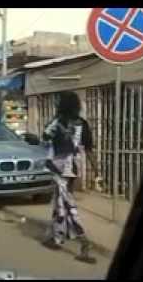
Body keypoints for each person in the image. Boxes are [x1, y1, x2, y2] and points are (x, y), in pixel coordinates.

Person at [41, 91, 101, 264]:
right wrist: (97, 171)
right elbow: (89, 150)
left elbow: (44, 139)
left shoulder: (57, 121)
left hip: (58, 168)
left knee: (67, 204)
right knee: (60, 202)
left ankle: (84, 242)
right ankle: (57, 238)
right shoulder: (82, 123)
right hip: (73, 169)